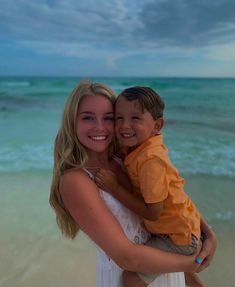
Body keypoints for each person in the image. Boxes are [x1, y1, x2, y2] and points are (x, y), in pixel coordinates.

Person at [49, 80, 217, 287]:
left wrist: (208, 233)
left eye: (109, 118)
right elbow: (126, 257)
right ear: (71, 122)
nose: (100, 127)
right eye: (87, 117)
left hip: (166, 272)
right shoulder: (76, 181)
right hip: (128, 277)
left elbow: (171, 197)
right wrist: (192, 263)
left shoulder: (127, 157)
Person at [95, 86, 215, 287]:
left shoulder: (151, 159)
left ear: (157, 125)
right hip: (180, 229)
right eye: (118, 118)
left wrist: (115, 188)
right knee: (183, 277)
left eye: (135, 118)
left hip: (176, 238)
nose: (124, 125)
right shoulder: (139, 147)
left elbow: (153, 213)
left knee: (131, 279)